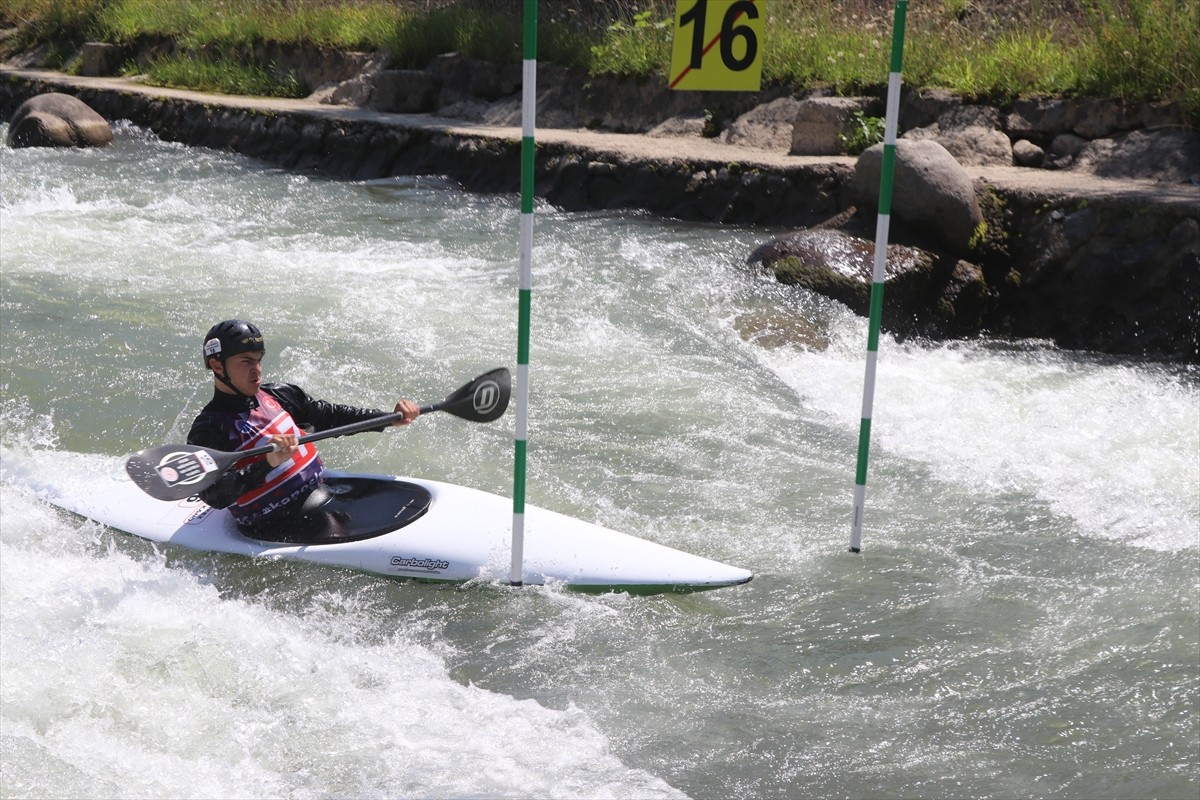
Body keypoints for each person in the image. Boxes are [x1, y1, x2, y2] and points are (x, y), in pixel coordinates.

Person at [187, 319, 419, 540]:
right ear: (218, 366)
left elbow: (331, 416)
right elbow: (214, 495)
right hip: (276, 524)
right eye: (246, 361)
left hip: (323, 496)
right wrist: (267, 462)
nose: (257, 370)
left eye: (259, 360)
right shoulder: (209, 429)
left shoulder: (280, 394)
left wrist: (388, 418)